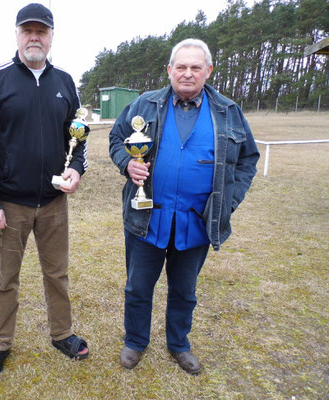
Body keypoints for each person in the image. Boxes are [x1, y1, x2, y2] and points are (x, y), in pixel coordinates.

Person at [109, 38, 259, 374]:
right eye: (181, 67)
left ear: (208, 71)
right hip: (146, 218)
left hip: (196, 224)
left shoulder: (228, 111)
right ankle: (135, 341)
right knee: (137, 287)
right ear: (169, 70)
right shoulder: (144, 105)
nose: (187, 73)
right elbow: (117, 139)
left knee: (185, 291)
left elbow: (248, 159)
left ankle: (179, 344)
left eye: (195, 67)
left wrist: (228, 202)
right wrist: (126, 163)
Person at [0, 3, 90, 381]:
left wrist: (75, 169)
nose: (34, 37)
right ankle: (0, 343)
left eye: (42, 31)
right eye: (28, 31)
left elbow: (78, 139)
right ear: (17, 35)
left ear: (52, 37)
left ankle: (62, 334)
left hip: (54, 202)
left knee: (57, 274)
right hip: (10, 203)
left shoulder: (65, 82)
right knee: (6, 278)